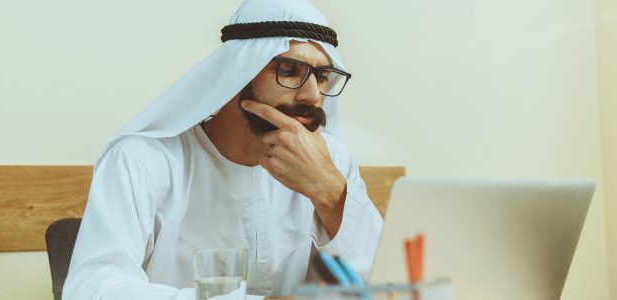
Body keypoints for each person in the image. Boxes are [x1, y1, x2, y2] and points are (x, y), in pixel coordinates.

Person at [62, 0, 383, 299]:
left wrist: (329, 191)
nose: (312, 95)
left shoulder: (331, 163)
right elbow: (93, 287)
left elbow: (385, 281)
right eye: (289, 71)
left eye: (323, 77)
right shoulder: (142, 160)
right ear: (239, 71)